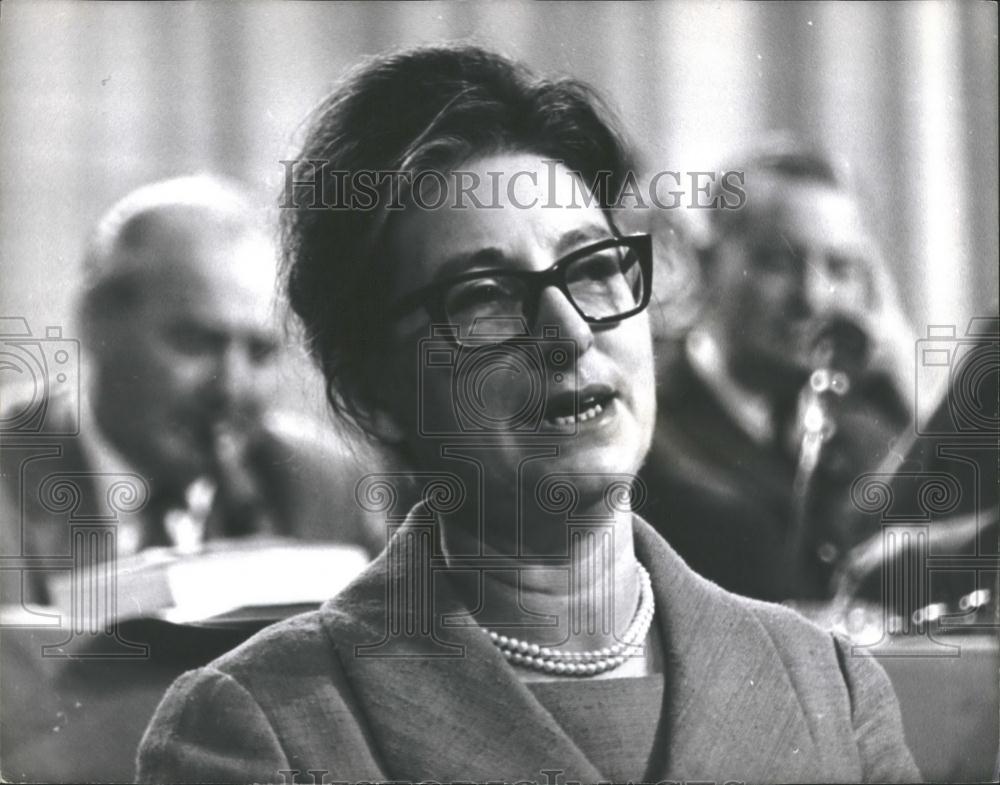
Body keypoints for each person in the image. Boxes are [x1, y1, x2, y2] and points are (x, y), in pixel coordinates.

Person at [136, 46, 920, 784]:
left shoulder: (833, 689)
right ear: (375, 389)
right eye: (481, 297)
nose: (570, 331)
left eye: (595, 266)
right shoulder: (260, 726)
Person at [0, 176, 383, 781]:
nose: (231, 390)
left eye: (260, 353)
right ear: (96, 319)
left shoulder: (322, 486)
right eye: (198, 343)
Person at [640, 138, 917, 601]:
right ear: (707, 264)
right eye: (778, 263)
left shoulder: (870, 430)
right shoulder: (649, 423)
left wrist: (909, 386)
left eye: (840, 268)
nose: (812, 297)